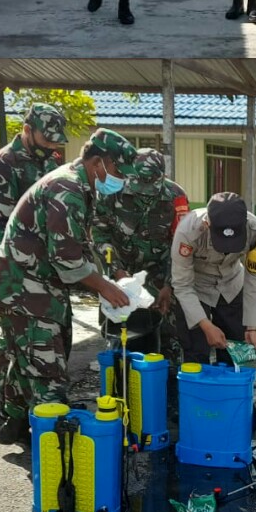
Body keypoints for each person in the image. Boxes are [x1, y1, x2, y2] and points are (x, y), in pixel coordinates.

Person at [0, 128, 134, 444]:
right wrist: (105, 287)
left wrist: (111, 272)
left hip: (34, 288)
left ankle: (14, 420)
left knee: (25, 354)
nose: (121, 178)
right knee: (47, 368)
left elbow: (77, 244)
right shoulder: (67, 189)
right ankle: (55, 452)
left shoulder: (78, 184)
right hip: (25, 290)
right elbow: (66, 258)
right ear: (97, 162)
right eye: (118, 170)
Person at [91, 147, 190, 362]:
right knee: (121, 329)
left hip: (160, 270)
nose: (144, 192)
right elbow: (99, 233)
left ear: (162, 177)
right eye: (139, 185)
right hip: (121, 270)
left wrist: (169, 285)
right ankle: (121, 374)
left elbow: (181, 243)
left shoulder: (176, 196)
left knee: (167, 329)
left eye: (150, 185)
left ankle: (166, 378)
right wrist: (117, 271)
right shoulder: (111, 191)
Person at [170, 191, 256, 364]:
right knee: (196, 351)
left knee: (234, 350)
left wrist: (251, 326)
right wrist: (206, 325)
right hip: (196, 287)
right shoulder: (187, 232)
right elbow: (182, 285)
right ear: (207, 223)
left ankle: (228, 388)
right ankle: (196, 390)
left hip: (231, 284)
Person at [0, 103, 69, 262]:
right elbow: (0, 228)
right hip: (16, 265)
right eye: (47, 139)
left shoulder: (49, 160)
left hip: (49, 259)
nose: (52, 146)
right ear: (27, 130)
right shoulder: (2, 165)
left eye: (56, 141)